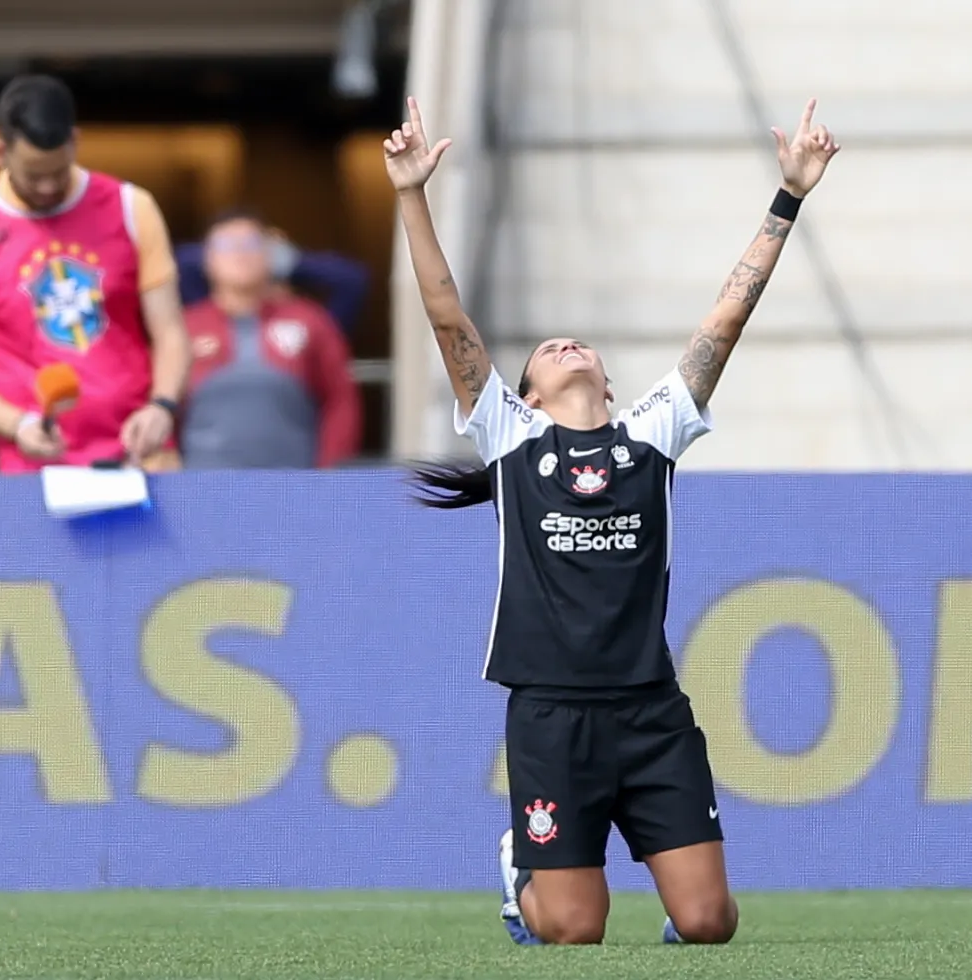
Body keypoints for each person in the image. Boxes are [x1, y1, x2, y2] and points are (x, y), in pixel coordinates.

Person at [386, 95, 839, 946]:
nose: (567, 345)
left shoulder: (651, 433)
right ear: (523, 396)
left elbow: (724, 321)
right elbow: (446, 315)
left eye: (578, 344)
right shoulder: (511, 436)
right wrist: (411, 192)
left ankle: (656, 884)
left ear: (606, 381)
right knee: (573, 932)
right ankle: (521, 868)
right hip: (551, 714)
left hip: (648, 712)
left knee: (708, 923)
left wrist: (790, 196)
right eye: (546, 348)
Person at [0, 74, 190, 473]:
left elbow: (170, 331)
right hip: (34, 462)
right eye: (33, 175)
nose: (48, 186)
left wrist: (162, 405)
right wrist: (18, 425)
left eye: (59, 171)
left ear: (75, 143)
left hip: (141, 451)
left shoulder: (131, 207)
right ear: (0, 152)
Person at [180, 209, 362, 469]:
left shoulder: (310, 320)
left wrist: (330, 473)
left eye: (252, 243)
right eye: (225, 245)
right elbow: (161, 407)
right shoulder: (184, 327)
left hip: (295, 486)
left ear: (272, 254)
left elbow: (340, 401)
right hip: (201, 487)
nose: (239, 253)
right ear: (206, 258)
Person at [176, 231, 370, 335]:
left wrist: (289, 261)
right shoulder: (209, 322)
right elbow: (181, 264)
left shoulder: (310, 328)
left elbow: (351, 278)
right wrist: (232, 249)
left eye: (274, 277)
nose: (263, 288)